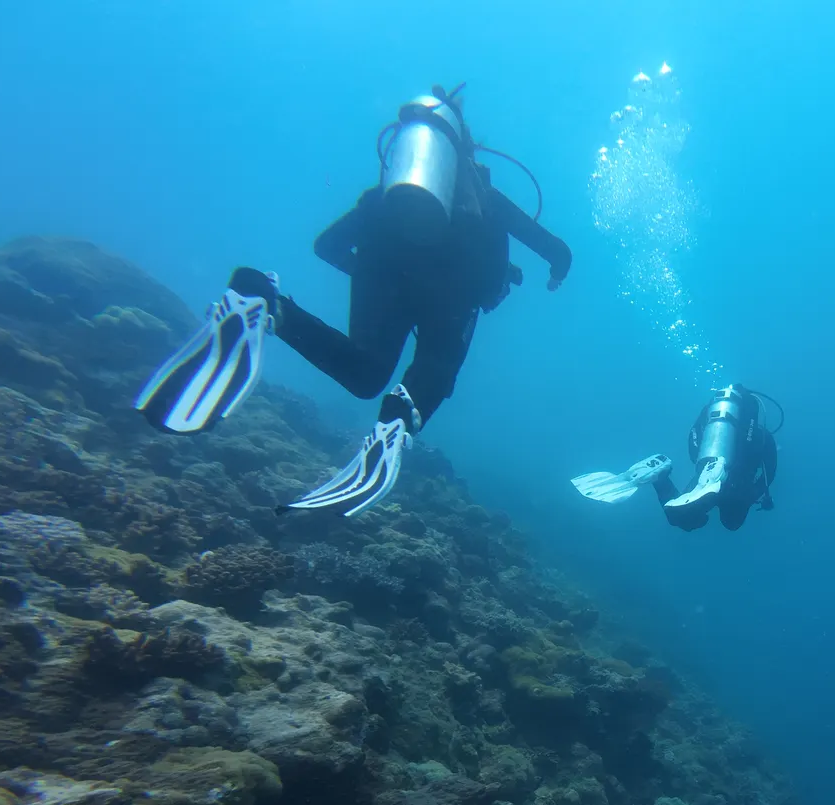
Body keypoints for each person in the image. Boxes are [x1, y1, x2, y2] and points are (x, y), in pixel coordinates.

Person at [134, 85, 572, 517]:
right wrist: (555, 272)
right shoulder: (488, 202)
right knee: (437, 366)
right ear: (466, 149)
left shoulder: (383, 199)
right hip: (451, 299)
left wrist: (375, 274)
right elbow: (557, 250)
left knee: (365, 372)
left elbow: (326, 246)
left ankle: (265, 304)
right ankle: (401, 418)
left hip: (383, 278)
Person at [571, 383, 780, 531]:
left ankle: (661, 477)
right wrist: (759, 495)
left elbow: (694, 439)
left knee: (680, 517)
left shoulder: (709, 418)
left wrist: (702, 464)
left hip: (705, 472)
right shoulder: (763, 436)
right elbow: (768, 473)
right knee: (731, 524)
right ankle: (718, 475)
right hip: (737, 485)